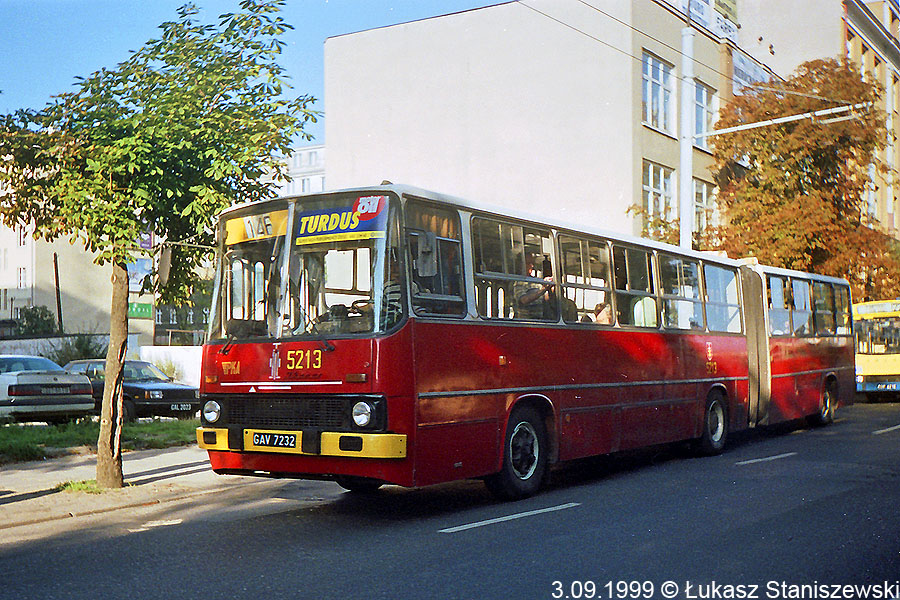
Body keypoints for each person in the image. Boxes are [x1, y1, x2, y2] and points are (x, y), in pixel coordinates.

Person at [514, 253, 554, 319]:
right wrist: (543, 289)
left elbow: (545, 299)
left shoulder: (536, 281)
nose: (532, 266)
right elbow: (523, 300)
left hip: (540, 320)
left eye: (532, 263)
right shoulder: (517, 281)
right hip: (525, 322)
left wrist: (550, 287)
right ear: (521, 265)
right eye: (528, 263)